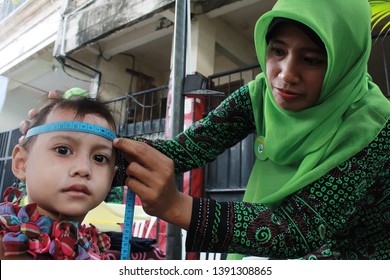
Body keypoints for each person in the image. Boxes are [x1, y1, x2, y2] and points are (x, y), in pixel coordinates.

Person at [21, 0, 390, 259]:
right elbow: (185, 151)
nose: (285, 74)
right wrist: (84, 141)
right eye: (278, 51)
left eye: (311, 60)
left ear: (346, 60)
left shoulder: (372, 129)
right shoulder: (260, 95)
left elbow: (298, 229)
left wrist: (178, 206)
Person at [0, 96, 123, 260]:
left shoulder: (97, 249)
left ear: (111, 178)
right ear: (22, 163)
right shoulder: (6, 243)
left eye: (99, 158)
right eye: (63, 150)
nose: (83, 169)